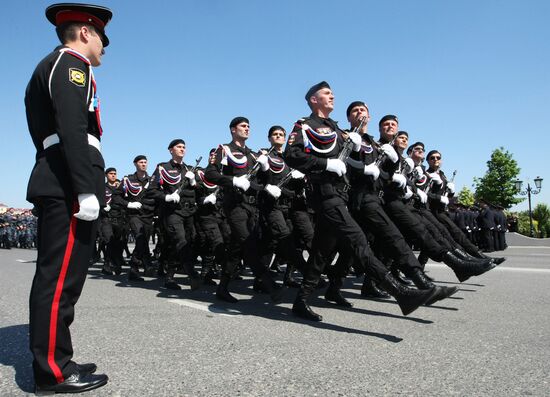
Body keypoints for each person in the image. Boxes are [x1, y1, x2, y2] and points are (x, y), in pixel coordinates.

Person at [284, 82, 438, 321]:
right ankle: (400, 292)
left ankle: (301, 301)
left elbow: (351, 159)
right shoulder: (305, 125)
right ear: (314, 100)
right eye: (326, 93)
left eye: (332, 93)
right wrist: (325, 164)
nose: (332, 95)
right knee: (358, 241)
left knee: (321, 252)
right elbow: (291, 155)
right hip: (324, 194)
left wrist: (354, 145)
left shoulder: (334, 128)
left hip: (340, 195)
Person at [25, 3, 112, 393]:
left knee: (67, 278)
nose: (104, 49)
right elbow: (72, 129)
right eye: (102, 40)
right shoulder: (71, 64)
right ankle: (52, 372)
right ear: (85, 33)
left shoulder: (62, 66)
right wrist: (84, 188)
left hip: (61, 175)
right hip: (67, 182)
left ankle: (60, 356)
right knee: (57, 279)